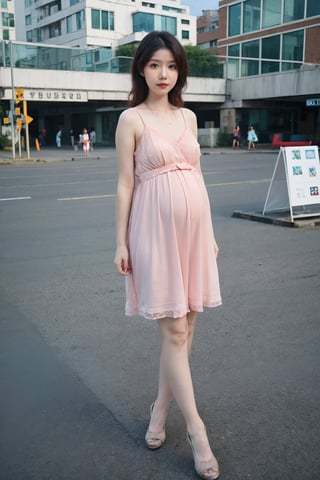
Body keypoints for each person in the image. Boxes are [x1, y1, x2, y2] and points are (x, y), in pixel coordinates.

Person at [114, 31, 222, 480]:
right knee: (176, 331)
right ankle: (197, 431)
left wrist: (211, 235)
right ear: (141, 68)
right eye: (156, 64)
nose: (164, 73)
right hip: (153, 233)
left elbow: (198, 178)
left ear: (180, 71)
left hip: (194, 234)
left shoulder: (190, 117)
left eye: (172, 65)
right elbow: (125, 184)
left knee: (186, 326)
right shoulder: (131, 119)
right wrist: (119, 241)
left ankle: (160, 409)